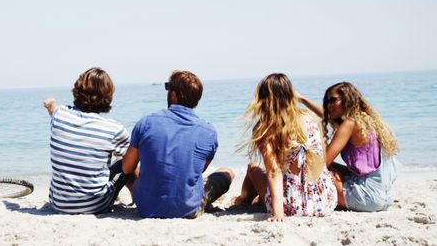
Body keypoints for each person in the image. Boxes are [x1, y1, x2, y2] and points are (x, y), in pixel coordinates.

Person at [121, 70, 235, 218]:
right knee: (227, 172)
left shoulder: (146, 123)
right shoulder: (209, 131)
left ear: (173, 95)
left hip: (146, 207)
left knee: (126, 163)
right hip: (187, 209)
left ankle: (144, 195)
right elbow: (197, 171)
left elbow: (126, 168)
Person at [235, 73, 337, 221]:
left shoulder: (266, 128)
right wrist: (303, 99)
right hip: (324, 201)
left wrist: (278, 213)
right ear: (291, 95)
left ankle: (242, 200)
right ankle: (245, 199)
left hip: (291, 205)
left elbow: (274, 172)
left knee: (253, 168)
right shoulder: (311, 118)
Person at [299, 82, 400, 212]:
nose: (329, 105)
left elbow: (323, 162)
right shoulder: (366, 121)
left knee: (323, 171)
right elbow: (327, 116)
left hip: (367, 198)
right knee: (333, 167)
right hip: (384, 197)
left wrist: (316, 141)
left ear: (347, 100)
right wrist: (303, 100)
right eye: (327, 102)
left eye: (333, 100)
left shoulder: (349, 124)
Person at [43, 67, 132, 214]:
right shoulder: (114, 129)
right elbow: (130, 162)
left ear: (77, 90)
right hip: (95, 205)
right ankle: (135, 197)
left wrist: (50, 102)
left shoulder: (59, 115)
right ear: (108, 96)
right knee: (128, 162)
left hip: (59, 204)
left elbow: (52, 106)